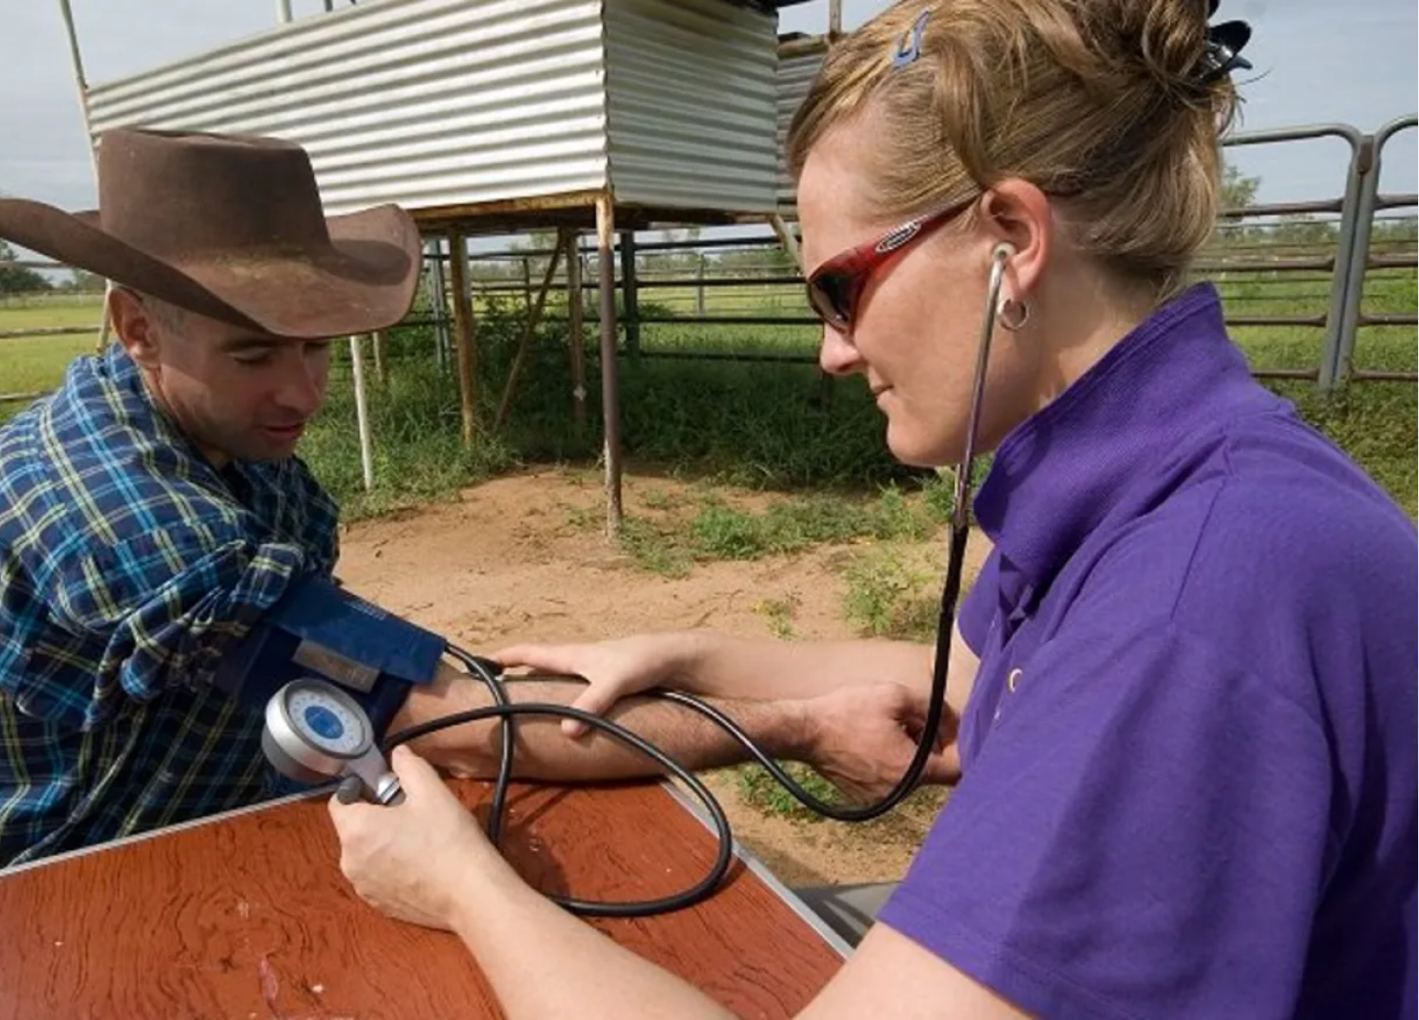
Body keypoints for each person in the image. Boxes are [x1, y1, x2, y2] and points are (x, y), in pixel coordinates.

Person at [325, 2, 1419, 1017]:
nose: (833, 350)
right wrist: (687, 654)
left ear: (1012, 238)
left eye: (842, 288)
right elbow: (966, 675)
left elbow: (1117, 678)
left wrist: (464, 887)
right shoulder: (1197, 482)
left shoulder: (1187, 606)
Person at [0, 127, 945, 882]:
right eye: (255, 351)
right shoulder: (125, 516)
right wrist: (800, 725)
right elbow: (469, 733)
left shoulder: (214, 440)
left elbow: (353, 655)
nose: (301, 393)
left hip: (198, 796)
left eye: (313, 345)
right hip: (72, 877)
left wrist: (445, 670)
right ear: (136, 327)